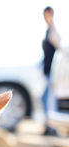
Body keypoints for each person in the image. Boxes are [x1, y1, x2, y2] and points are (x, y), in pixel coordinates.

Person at [42, 6, 61, 135]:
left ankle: (52, 127)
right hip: (47, 72)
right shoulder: (48, 31)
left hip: (53, 73)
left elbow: (60, 51)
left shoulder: (54, 31)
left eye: (47, 14)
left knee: (49, 100)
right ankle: (49, 126)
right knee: (44, 99)